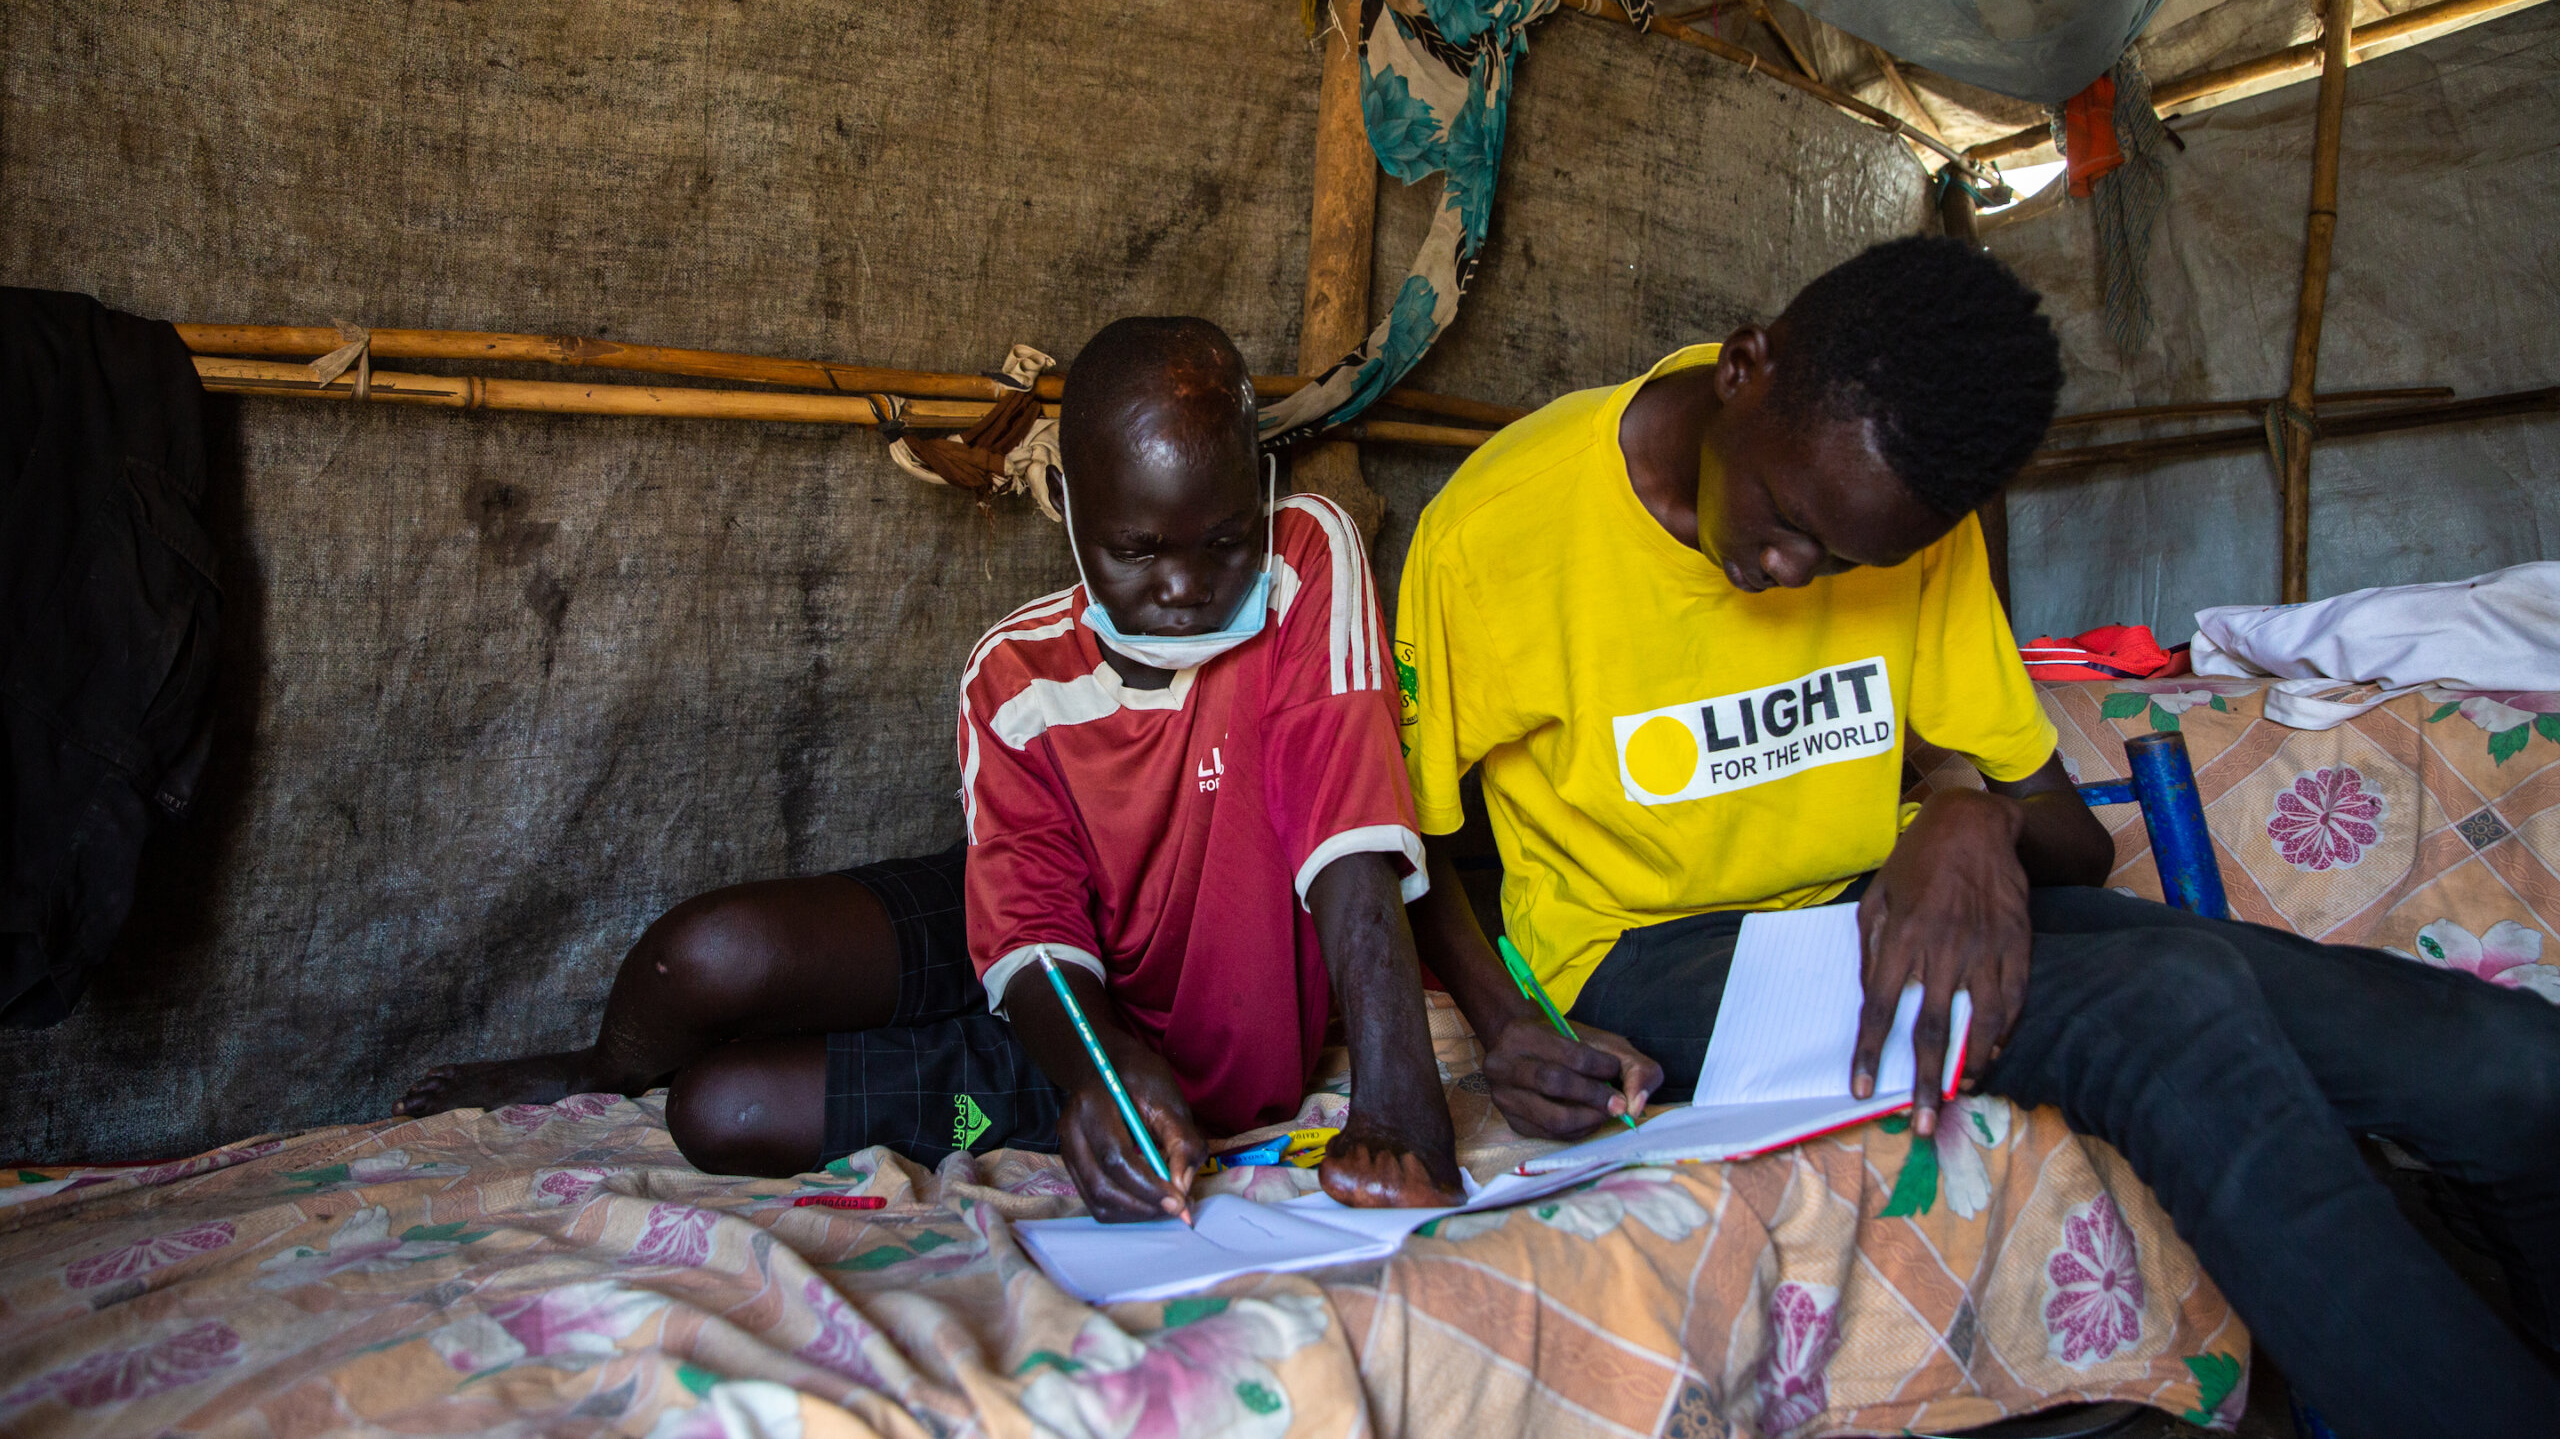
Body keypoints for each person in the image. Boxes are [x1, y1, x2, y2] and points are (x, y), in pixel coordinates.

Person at [1395, 236, 2560, 1438]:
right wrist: (1506, 1023)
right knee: (2161, 1004)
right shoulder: (1502, 525)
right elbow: (1403, 836)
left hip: (1868, 903)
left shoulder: (1900, 501)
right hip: (1650, 953)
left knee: (2511, 1065)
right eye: (1788, 520)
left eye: (1850, 560)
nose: (1795, 572)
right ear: (1745, 369)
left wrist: (1968, 813)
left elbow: (2072, 841)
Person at [400, 315, 1462, 1220]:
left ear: (1260, 490)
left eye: (1222, 540)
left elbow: (1348, 836)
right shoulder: (1013, 671)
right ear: (1071, 513)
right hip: (1059, 982)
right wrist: (1091, 1055)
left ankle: (1031, 1086)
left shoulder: (1306, 560)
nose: (1186, 586)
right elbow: (1028, 909)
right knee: (706, 954)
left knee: (723, 1114)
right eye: (1138, 551)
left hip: (1152, 1049)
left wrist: (1396, 1100)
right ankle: (603, 1067)